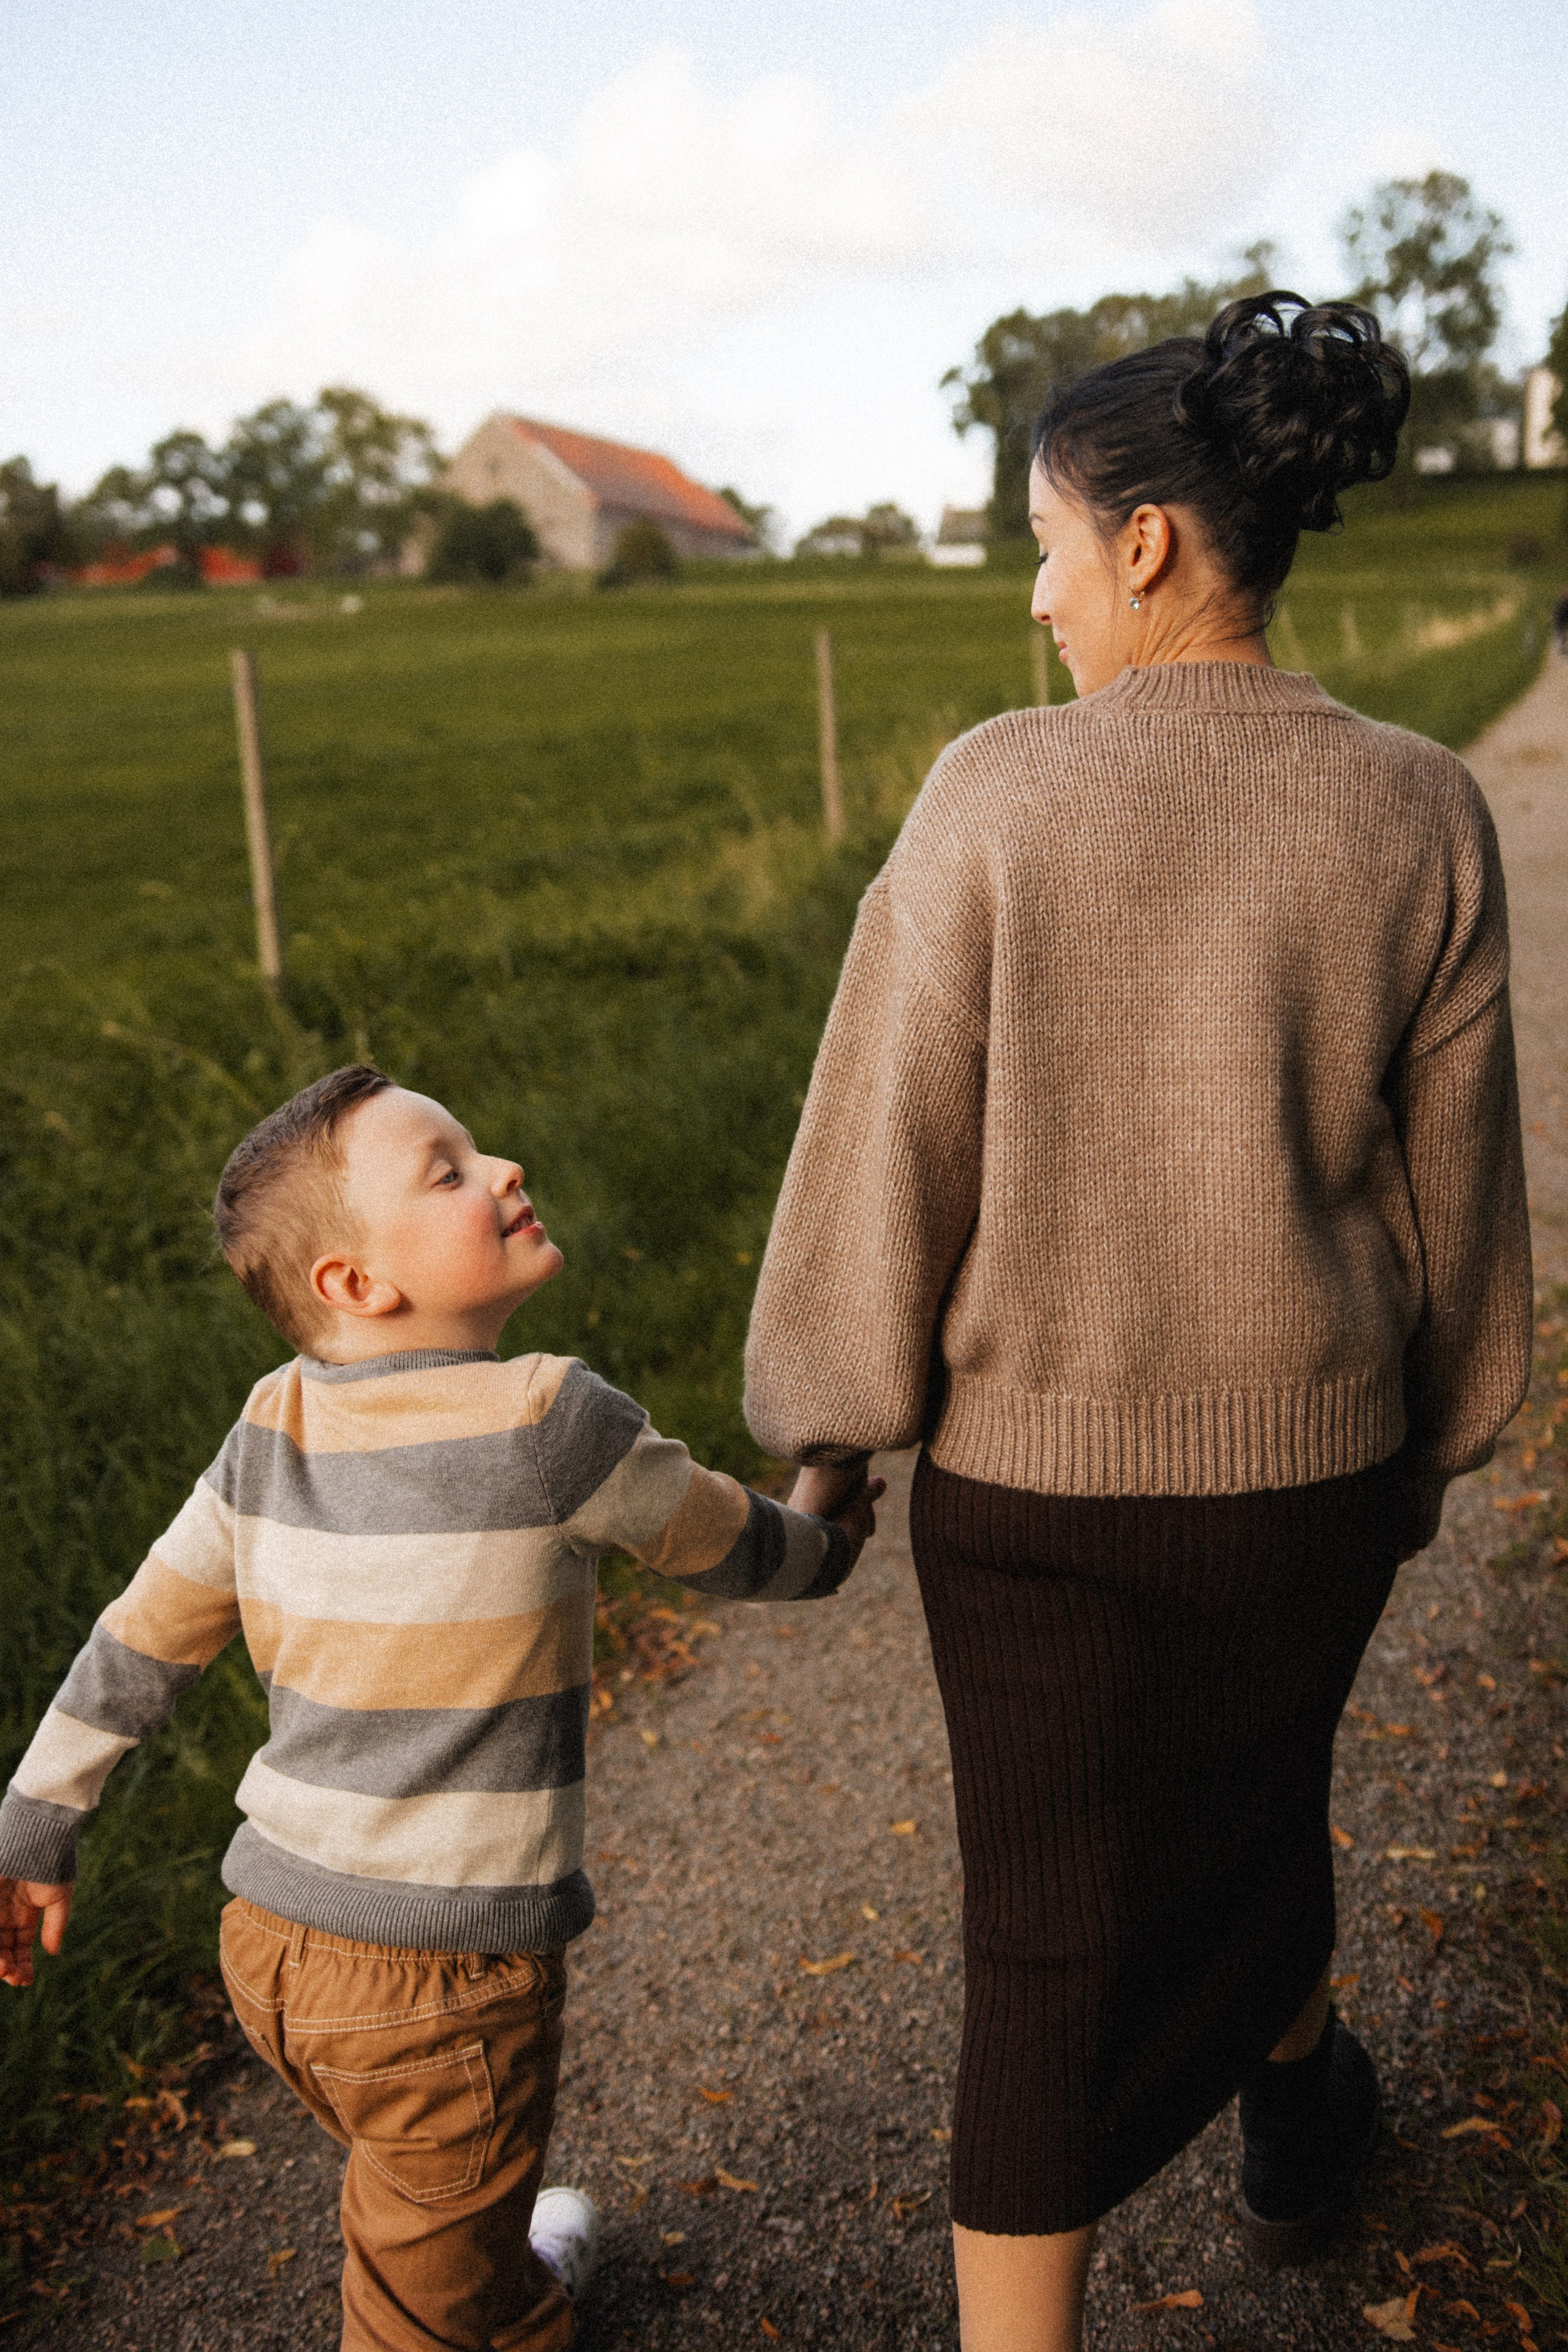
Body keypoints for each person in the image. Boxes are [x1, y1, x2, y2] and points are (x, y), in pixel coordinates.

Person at [744, 293, 1532, 2351]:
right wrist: (1425, 1457)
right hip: (1321, 1480)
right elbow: (1462, 1203)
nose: (1037, 595)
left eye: (1047, 543)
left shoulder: (994, 796)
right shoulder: (1426, 807)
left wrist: (830, 1426)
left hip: (1034, 1506)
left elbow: (884, 1147)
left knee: (1043, 1956)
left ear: (1155, 545)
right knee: (1261, 1792)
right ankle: (1297, 2120)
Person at [0, 1066, 881, 2352]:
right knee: (413, 2300)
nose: (504, 1168)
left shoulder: (268, 1425)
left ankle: (492, 2269)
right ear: (355, 1282)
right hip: (441, 1982)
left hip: (272, 1947)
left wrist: (35, 1816)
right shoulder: (549, 1424)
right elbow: (734, 1549)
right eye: (450, 1170)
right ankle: (468, 2301)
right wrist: (829, 1534)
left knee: (428, 2192)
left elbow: (143, 1639)